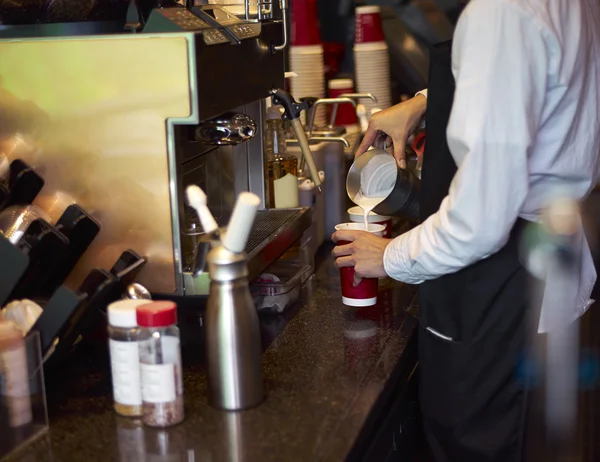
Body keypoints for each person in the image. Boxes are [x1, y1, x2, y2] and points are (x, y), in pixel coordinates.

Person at [332, 0, 600, 460]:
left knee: (483, 445)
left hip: (503, 282)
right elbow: (534, 76)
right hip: (551, 255)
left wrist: (390, 256)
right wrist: (424, 101)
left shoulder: (499, 13)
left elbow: (479, 222)